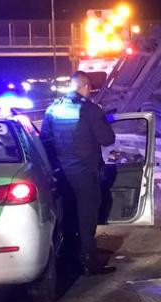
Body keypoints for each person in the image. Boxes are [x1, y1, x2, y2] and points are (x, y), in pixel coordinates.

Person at [41, 71, 115, 272]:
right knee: (87, 215)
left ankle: (66, 256)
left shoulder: (53, 109)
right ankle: (89, 261)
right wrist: (104, 120)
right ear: (86, 87)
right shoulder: (91, 109)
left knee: (66, 213)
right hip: (85, 172)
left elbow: (45, 140)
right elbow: (107, 139)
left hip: (60, 174)